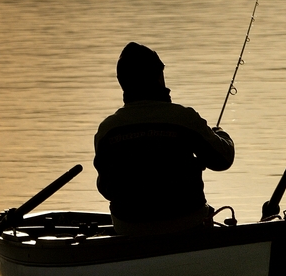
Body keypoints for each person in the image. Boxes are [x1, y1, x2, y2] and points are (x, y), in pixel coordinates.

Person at [94, 42, 235, 235]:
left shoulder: (108, 129)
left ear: (122, 82)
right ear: (158, 77)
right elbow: (223, 160)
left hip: (128, 227)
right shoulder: (183, 118)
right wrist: (220, 134)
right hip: (186, 222)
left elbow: (106, 188)